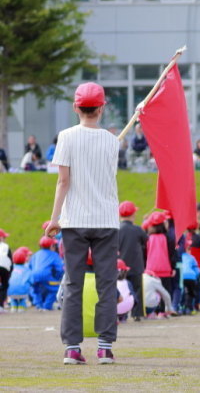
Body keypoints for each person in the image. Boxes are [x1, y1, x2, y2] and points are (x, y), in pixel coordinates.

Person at [45, 81, 121, 365]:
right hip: (105, 220)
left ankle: (72, 348)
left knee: (74, 283)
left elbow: (64, 182)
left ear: (76, 107)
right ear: (101, 108)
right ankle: (104, 347)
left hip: (74, 219)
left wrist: (54, 219)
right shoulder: (113, 141)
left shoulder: (65, 137)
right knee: (106, 283)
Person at [117, 201, 148, 321]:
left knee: (120, 289)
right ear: (133, 215)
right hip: (136, 265)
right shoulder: (137, 229)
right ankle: (137, 313)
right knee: (137, 289)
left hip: (119, 266)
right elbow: (146, 242)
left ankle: (121, 313)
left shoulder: (116, 229)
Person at [144, 212, 175, 297]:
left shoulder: (147, 238)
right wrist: (173, 267)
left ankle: (154, 310)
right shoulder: (168, 237)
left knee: (152, 295)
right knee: (165, 295)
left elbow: (144, 254)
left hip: (150, 270)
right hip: (165, 270)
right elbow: (171, 254)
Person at [29, 236, 64, 310]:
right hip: (45, 275)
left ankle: (38, 306)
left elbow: (30, 266)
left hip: (34, 275)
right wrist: (57, 277)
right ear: (51, 246)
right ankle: (47, 306)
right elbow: (60, 268)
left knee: (35, 290)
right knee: (55, 288)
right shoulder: (54, 254)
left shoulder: (36, 254)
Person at [8, 247, 31, 313]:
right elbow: (31, 280)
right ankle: (21, 307)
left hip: (10, 292)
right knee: (22, 299)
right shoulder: (27, 268)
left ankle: (13, 307)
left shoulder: (10, 267)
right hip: (23, 292)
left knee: (13, 298)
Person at [180, 249, 200, 315]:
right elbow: (197, 270)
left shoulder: (179, 257)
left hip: (182, 276)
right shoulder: (192, 257)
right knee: (191, 293)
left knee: (182, 292)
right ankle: (189, 308)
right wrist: (196, 277)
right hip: (191, 277)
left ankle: (181, 308)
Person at [0, 229, 13, 312]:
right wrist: (10, 272)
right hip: (4, 266)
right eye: (4, 237)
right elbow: (10, 260)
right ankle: (0, 305)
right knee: (4, 285)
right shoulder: (5, 246)